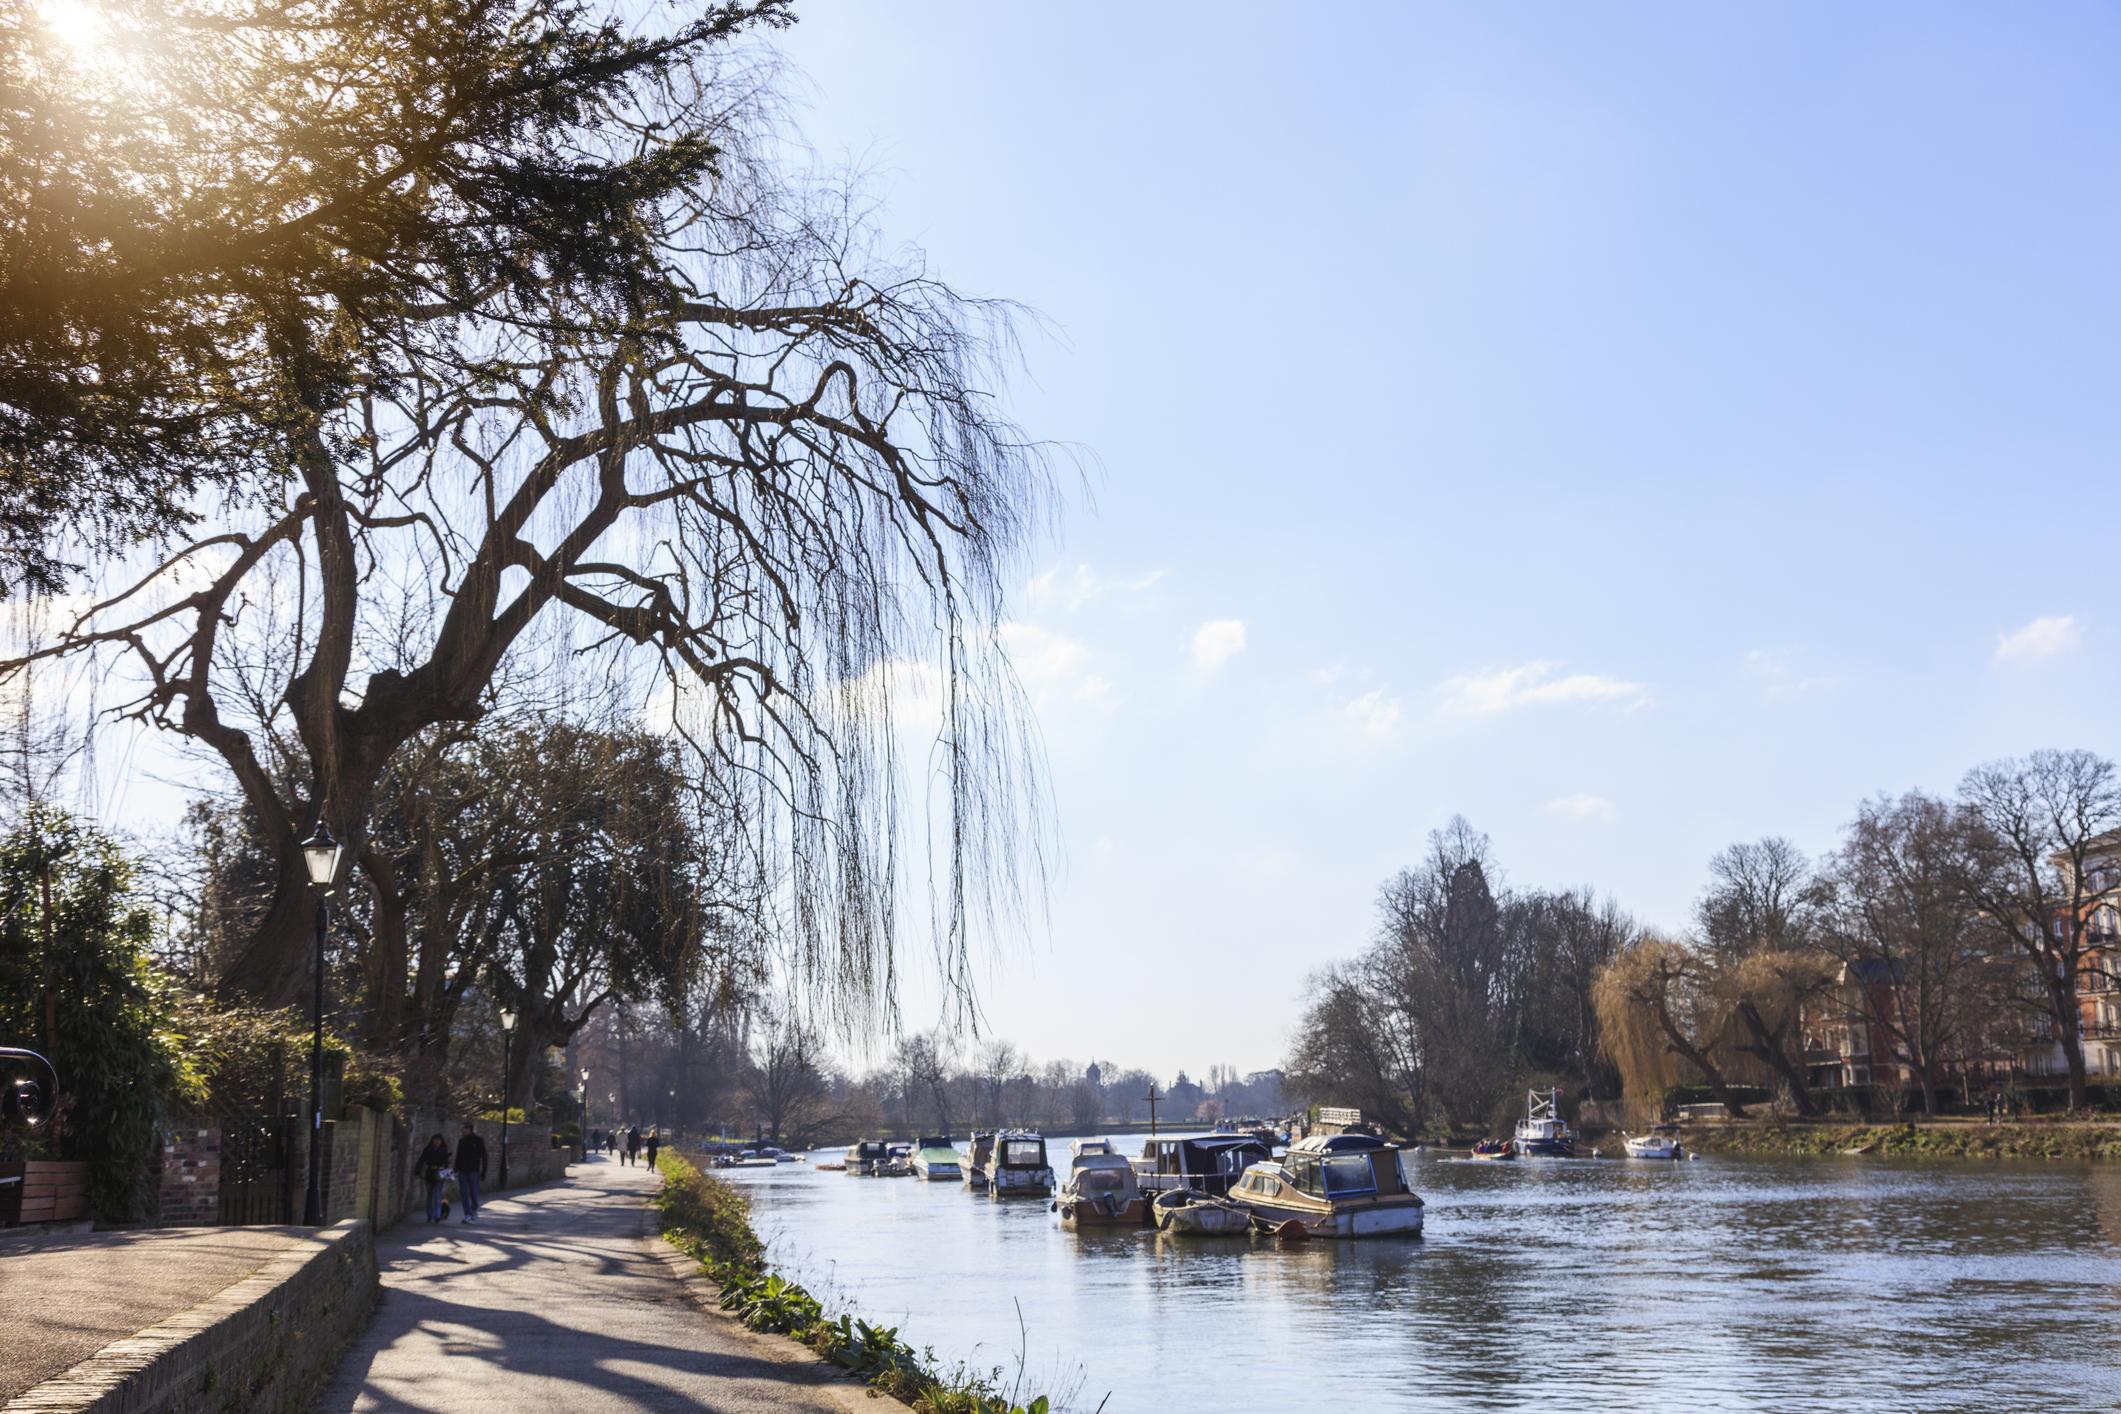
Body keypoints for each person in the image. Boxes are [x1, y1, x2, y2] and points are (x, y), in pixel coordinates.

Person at [454, 1122, 489, 1221]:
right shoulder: (461, 1141)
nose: (462, 1131)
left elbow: (484, 1156)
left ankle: (473, 1209)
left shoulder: (478, 1140)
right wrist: (455, 1169)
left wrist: (484, 1171)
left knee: (474, 1194)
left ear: (469, 1129)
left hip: (474, 1171)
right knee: (464, 1194)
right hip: (462, 1172)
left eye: (463, 1129)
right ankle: (467, 1214)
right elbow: (458, 1156)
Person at [418, 1133, 451, 1223]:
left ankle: (437, 1215)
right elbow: (421, 1160)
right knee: (429, 1196)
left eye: (439, 1140)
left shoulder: (444, 1150)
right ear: (432, 1141)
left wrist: (444, 1168)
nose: (437, 1142)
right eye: (436, 1140)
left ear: (441, 1141)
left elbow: (446, 1163)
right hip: (429, 1174)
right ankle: (429, 1215)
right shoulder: (427, 1150)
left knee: (437, 1196)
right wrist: (418, 1170)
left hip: (439, 1175)